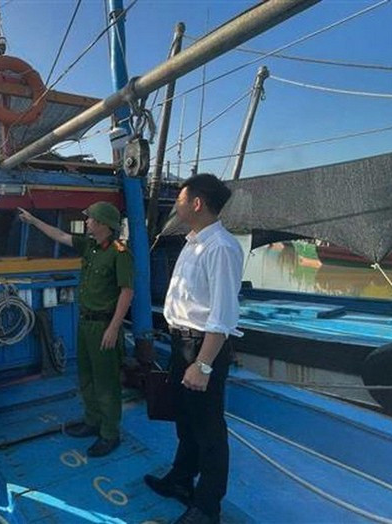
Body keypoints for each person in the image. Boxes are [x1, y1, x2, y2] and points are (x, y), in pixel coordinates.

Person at [143, 174, 243, 524]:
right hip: (182, 342)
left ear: (197, 203)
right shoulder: (194, 241)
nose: (177, 205)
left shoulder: (221, 247)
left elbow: (223, 314)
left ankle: (207, 507)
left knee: (209, 429)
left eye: (181, 199)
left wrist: (203, 365)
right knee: (185, 419)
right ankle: (181, 480)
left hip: (202, 346)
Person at [18, 202, 133, 457]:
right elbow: (59, 235)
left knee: (106, 382)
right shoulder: (90, 245)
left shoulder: (120, 252)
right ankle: (92, 421)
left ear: (102, 224)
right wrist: (33, 220)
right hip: (85, 323)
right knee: (86, 375)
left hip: (104, 326)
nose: (87, 221)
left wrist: (114, 328)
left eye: (90, 218)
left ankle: (109, 433)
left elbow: (127, 292)